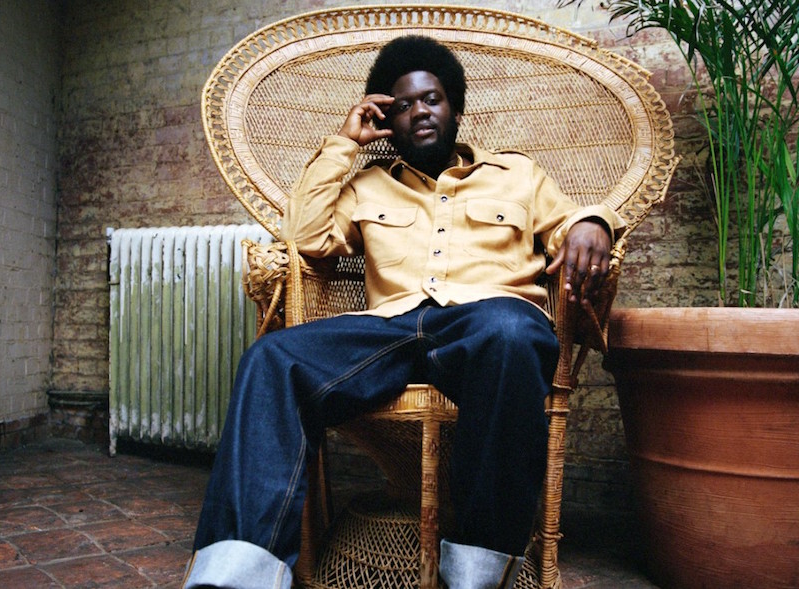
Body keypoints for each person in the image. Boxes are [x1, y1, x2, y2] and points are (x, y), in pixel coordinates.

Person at [183, 35, 624, 589]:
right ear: (388, 121)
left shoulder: (517, 175)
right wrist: (344, 145)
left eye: (432, 99)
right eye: (404, 104)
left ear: (455, 109)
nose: (420, 111)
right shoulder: (368, 185)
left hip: (485, 325)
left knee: (514, 333)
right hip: (389, 330)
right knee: (272, 358)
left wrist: (594, 223)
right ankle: (235, 576)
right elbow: (306, 237)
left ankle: (479, 574)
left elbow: (569, 225)